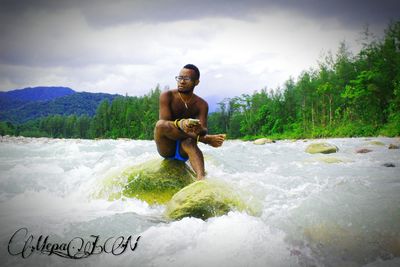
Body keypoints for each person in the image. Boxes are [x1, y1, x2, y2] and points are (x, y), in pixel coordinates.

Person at [154, 64, 226, 180]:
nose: (181, 82)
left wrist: (200, 130)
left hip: (185, 148)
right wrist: (181, 123)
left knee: (189, 141)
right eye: (179, 78)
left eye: (186, 79)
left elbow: (203, 130)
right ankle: (206, 141)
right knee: (160, 125)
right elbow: (164, 125)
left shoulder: (201, 104)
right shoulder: (167, 96)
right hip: (167, 147)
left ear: (196, 82)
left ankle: (201, 179)